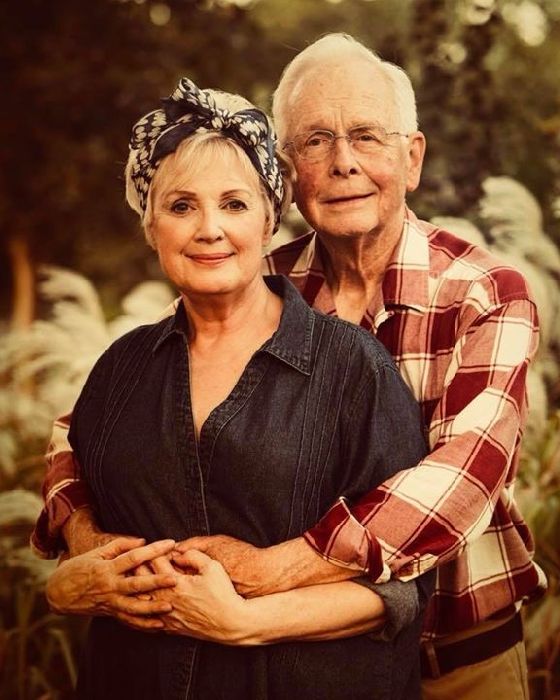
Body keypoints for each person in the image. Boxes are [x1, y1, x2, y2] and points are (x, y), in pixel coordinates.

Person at [32, 34, 546, 699]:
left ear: (413, 158)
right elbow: (101, 417)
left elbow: (463, 476)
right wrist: (87, 546)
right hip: (306, 654)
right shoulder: (253, 277)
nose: (342, 163)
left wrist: (270, 571)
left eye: (366, 137)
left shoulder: (485, 292)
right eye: (315, 141)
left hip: (458, 657)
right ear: (286, 171)